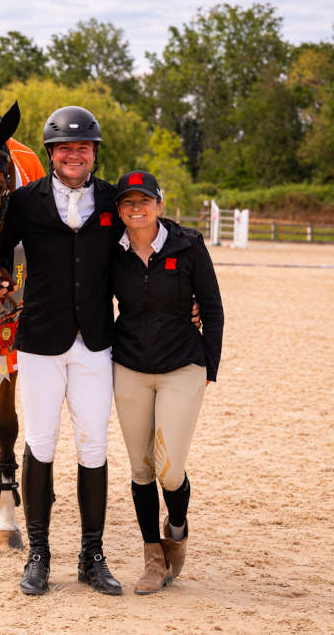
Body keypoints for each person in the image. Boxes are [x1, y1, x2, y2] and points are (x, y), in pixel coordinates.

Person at [0, 106, 125, 596]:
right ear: (50, 153)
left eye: (83, 147)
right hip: (40, 341)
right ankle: (39, 555)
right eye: (65, 148)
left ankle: (93, 555)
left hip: (95, 343)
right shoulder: (25, 201)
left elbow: (150, 247)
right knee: (41, 443)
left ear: (94, 153)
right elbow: (1, 252)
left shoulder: (114, 200)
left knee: (93, 445)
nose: (74, 155)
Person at [109, 170, 224, 595]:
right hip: (130, 367)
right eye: (127, 202)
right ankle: (153, 559)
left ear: (159, 204)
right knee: (141, 469)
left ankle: (176, 528)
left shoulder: (188, 245)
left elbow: (212, 308)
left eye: (144, 201)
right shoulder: (112, 250)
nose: (136, 208)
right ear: (119, 210)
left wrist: (208, 368)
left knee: (170, 471)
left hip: (182, 367)